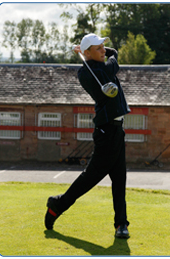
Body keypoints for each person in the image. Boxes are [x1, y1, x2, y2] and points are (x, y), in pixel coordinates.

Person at [44, 33, 131, 238]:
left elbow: (112, 53)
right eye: (98, 48)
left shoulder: (96, 65)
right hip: (106, 131)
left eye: (103, 47)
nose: (104, 50)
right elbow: (113, 56)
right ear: (89, 52)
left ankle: (121, 225)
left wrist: (88, 51)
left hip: (117, 130)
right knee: (91, 177)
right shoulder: (88, 73)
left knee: (120, 179)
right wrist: (87, 53)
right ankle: (58, 204)